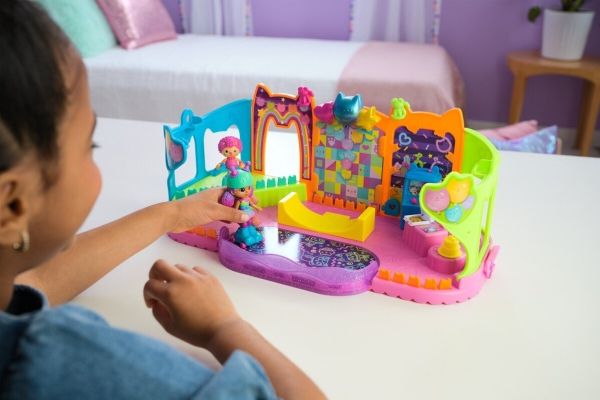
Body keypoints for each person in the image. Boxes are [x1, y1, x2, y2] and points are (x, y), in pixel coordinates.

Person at [0, 1, 325, 399]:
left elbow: (36, 281)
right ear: (12, 206)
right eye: (89, 145)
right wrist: (224, 328)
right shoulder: (64, 359)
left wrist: (172, 214)